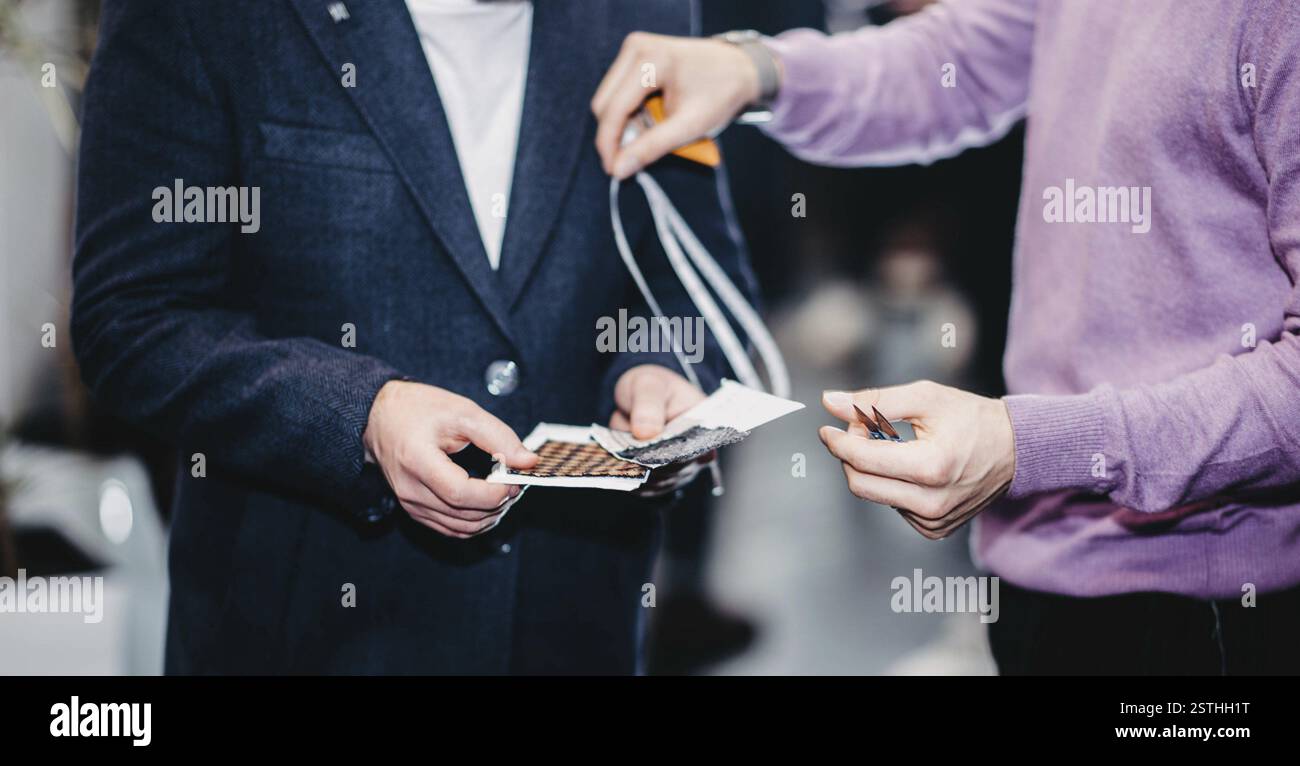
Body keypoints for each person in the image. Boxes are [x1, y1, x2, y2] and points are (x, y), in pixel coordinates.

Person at [591, 0, 1300, 674]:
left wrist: (1030, 444)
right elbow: (958, 57)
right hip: (1039, 571)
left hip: (1214, 611)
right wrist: (757, 71)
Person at [72, 0, 757, 674]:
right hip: (308, 631)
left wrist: (662, 369)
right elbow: (134, 316)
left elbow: (694, 275)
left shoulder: (649, 10)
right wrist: (362, 415)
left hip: (577, 625)